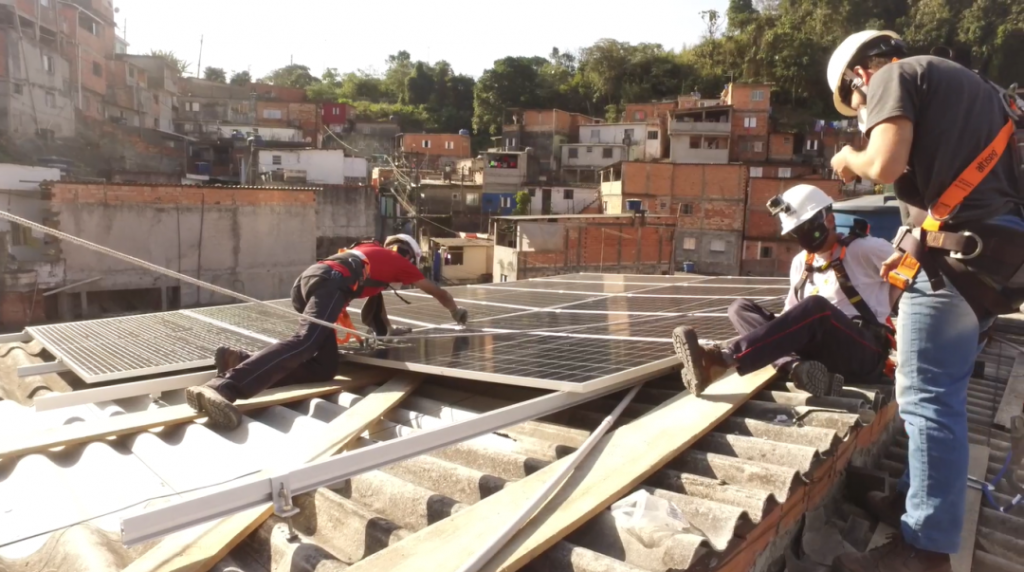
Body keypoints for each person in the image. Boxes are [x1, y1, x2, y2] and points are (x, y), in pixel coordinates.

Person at [826, 31, 1024, 571]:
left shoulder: (894, 76)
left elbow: (886, 164)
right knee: (944, 397)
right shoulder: (979, 90)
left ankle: (925, 550)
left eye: (857, 105)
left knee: (926, 400)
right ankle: (913, 505)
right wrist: (909, 244)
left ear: (858, 76)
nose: (863, 113)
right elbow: (961, 190)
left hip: (955, 266)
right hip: (989, 259)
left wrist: (851, 156)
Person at [186, 234, 468, 430]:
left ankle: (243, 361)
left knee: (324, 366)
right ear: (409, 256)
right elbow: (437, 291)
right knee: (305, 342)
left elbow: (376, 316)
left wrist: (393, 331)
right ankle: (223, 387)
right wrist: (455, 311)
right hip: (331, 282)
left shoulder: (372, 258)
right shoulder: (399, 262)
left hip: (311, 281)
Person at [672, 184, 895, 400]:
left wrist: (889, 303)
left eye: (808, 227)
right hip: (818, 351)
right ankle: (797, 368)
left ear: (829, 219)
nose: (804, 235)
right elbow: (792, 316)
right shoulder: (801, 263)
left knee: (816, 307)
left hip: (862, 352)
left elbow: (917, 272)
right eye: (797, 231)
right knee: (739, 308)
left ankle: (722, 360)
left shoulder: (866, 249)